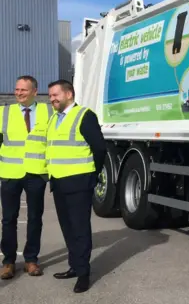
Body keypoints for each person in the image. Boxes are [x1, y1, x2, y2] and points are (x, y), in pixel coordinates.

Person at [45, 79, 106, 293]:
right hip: (59, 183)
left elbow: (99, 149)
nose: (52, 98)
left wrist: (92, 174)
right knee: (68, 229)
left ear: (69, 94)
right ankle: (74, 266)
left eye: (55, 95)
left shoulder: (84, 116)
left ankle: (83, 274)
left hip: (79, 183)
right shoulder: (54, 119)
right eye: (50, 95)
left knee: (80, 229)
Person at [0, 75, 52, 279]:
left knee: (34, 218)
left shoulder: (48, 111)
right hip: (10, 173)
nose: (18, 93)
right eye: (17, 89)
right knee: (8, 219)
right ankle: (8, 262)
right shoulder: (5, 111)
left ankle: (31, 260)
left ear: (34, 91)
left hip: (37, 172)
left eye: (23, 90)